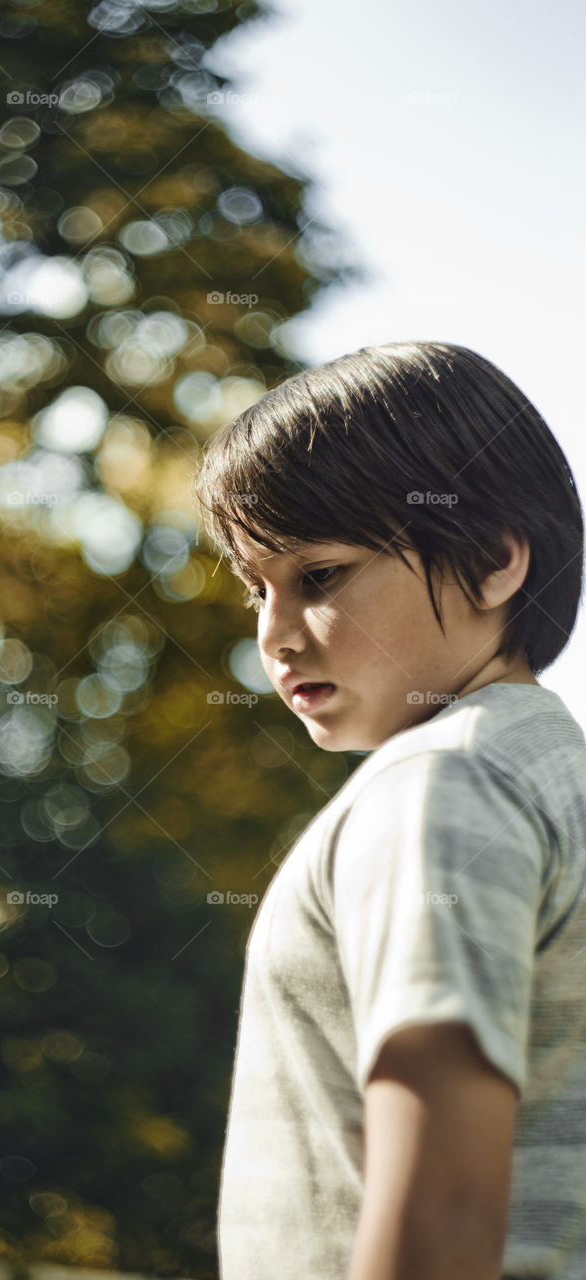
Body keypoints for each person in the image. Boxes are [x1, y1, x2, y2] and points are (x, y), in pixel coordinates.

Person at [192, 340, 586, 1280]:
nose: (273, 636)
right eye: (256, 588)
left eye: (319, 576)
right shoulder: (545, 775)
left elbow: (446, 1201)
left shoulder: (441, 781)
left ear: (492, 561)